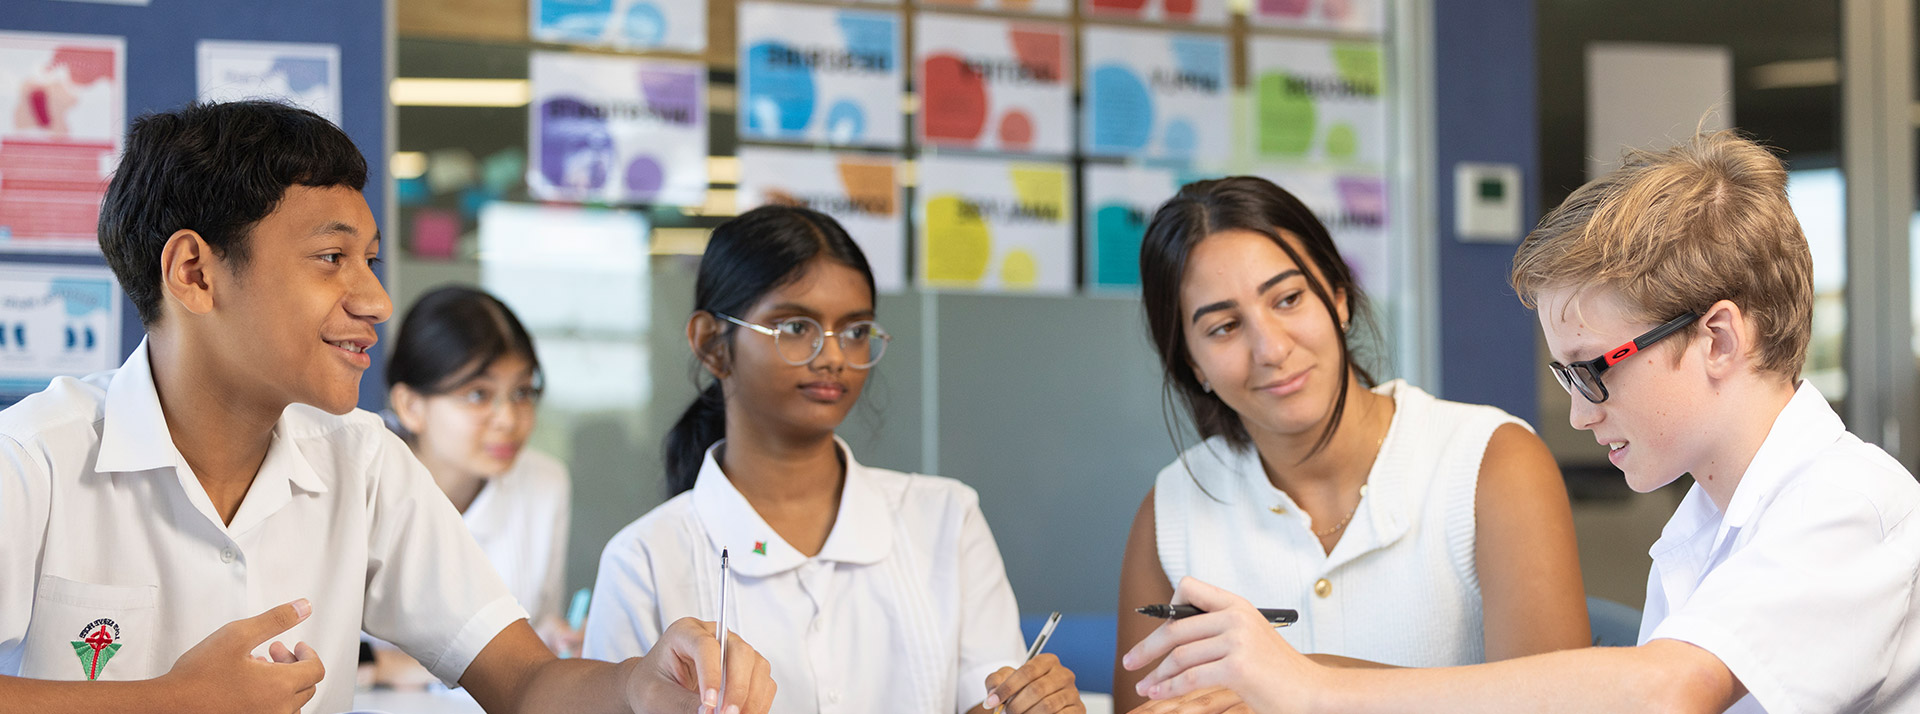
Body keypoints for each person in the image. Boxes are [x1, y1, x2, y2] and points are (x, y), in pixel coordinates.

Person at [0, 100, 774, 714]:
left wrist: (638, 687)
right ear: (196, 273)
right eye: (332, 258)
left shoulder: (361, 460)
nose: (374, 299)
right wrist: (173, 703)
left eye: (369, 260)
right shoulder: (38, 457)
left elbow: (526, 684)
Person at [1121, 132, 1920, 713]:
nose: (1576, 411)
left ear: (1715, 338)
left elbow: (1667, 689)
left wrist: (1305, 685)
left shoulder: (1851, 505)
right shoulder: (1709, 524)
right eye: (1563, 377)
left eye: (1593, 371)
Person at [1112, 176, 1590, 713]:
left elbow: (1558, 705)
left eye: (1289, 299)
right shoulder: (1172, 509)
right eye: (1224, 327)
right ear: (1192, 362)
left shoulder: (1491, 463)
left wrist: (1294, 681)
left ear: (1338, 297)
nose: (1270, 348)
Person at [582, 205, 1084, 714]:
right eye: (796, 327)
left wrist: (1034, 705)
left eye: (856, 331)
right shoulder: (644, 560)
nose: (833, 357)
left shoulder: (946, 519)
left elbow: (993, 698)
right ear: (712, 344)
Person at [368, 285, 579, 686]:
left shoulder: (545, 484)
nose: (508, 419)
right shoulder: (357, 475)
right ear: (411, 406)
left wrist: (552, 639)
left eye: (522, 392)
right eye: (478, 394)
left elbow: (536, 624)